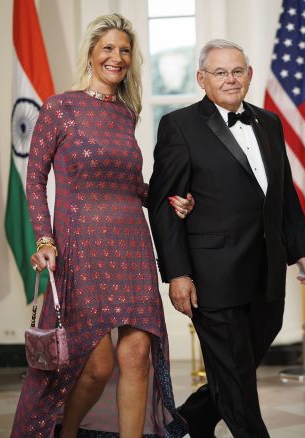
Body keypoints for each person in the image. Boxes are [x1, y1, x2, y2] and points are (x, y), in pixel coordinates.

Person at [11, 14, 192, 438]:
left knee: (137, 355)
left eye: (125, 50)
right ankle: (66, 432)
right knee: (95, 366)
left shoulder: (127, 114)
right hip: (82, 250)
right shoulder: (61, 107)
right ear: (91, 53)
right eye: (108, 48)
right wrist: (44, 238)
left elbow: (130, 187)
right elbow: (35, 179)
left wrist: (167, 199)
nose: (117, 57)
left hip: (132, 246)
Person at [148, 39, 305, 438]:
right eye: (220, 72)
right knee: (237, 376)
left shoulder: (269, 122)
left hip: (267, 270)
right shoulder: (179, 126)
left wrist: (300, 251)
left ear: (249, 75)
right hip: (212, 274)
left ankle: (190, 419)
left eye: (237, 70)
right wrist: (177, 273)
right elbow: (164, 205)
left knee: (237, 366)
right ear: (202, 79)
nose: (230, 79)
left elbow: (283, 193)